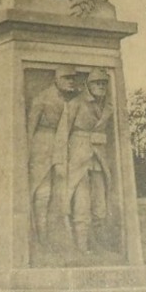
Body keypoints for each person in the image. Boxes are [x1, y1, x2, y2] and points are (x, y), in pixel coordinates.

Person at [27, 65, 82, 249]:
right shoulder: (42, 99)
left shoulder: (74, 101)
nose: (70, 82)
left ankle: (65, 240)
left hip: (63, 149)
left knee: (62, 193)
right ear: (56, 80)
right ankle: (40, 238)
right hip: (42, 148)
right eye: (66, 78)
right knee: (42, 193)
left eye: (72, 78)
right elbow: (30, 129)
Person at [66, 68, 115, 254]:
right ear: (88, 85)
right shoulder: (75, 103)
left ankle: (99, 244)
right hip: (79, 157)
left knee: (100, 205)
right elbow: (64, 133)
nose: (101, 86)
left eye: (104, 83)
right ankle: (81, 245)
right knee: (81, 203)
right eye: (97, 83)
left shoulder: (108, 107)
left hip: (99, 159)